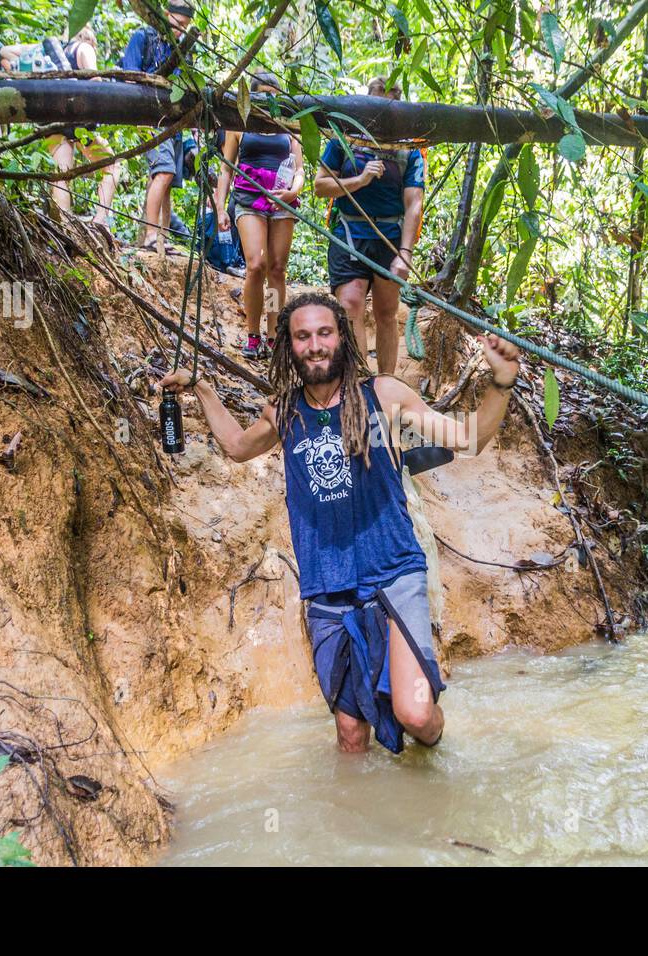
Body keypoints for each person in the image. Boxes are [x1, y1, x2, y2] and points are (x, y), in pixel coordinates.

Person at [157, 292, 521, 754]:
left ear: (343, 339)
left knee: (417, 716)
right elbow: (236, 446)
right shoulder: (284, 412)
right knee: (350, 737)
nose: (314, 345)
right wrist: (202, 389)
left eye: (324, 333)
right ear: (289, 347)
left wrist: (501, 382)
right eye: (302, 336)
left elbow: (468, 439)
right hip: (328, 585)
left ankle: (436, 744)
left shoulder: (383, 395)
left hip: (393, 572)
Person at [313, 83, 423, 377]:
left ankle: (385, 385)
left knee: (387, 313)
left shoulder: (408, 150)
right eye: (373, 106)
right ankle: (360, 382)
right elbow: (320, 186)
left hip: (389, 238)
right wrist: (360, 180)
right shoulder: (344, 140)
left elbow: (414, 203)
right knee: (349, 307)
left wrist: (405, 253)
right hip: (349, 233)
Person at [213, 72, 304, 360]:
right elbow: (227, 166)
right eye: (263, 94)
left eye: (273, 94)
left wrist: (292, 192)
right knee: (256, 264)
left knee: (277, 268)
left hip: (281, 200)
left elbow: (299, 169)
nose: (269, 99)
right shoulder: (239, 124)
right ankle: (253, 334)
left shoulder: (289, 126)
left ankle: (274, 334)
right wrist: (219, 206)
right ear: (252, 96)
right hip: (248, 198)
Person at [0, 27, 122, 227]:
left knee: (62, 172)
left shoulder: (52, 52)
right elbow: (95, 82)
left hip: (49, 116)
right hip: (76, 118)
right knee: (112, 165)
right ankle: (100, 221)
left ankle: (64, 225)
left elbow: (5, 51)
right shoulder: (84, 48)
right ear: (91, 36)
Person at [118, 1, 195, 253]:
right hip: (150, 117)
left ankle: (161, 237)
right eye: (177, 24)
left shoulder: (184, 47)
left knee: (166, 181)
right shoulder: (143, 37)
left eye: (185, 27)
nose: (180, 30)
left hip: (174, 121)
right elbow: (129, 77)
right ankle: (151, 234)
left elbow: (188, 85)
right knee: (163, 173)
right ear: (165, 15)